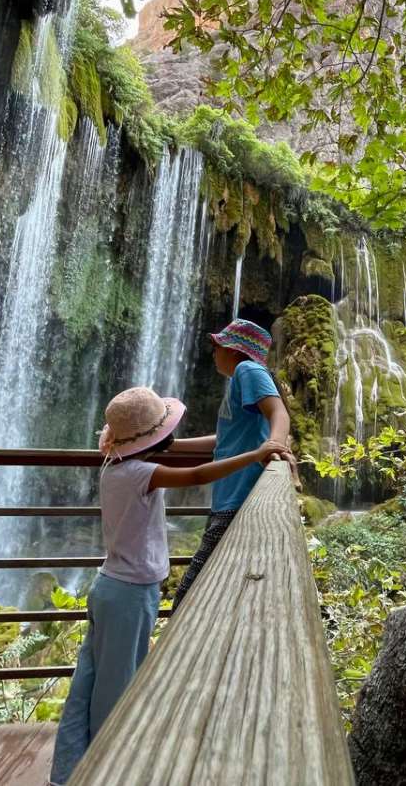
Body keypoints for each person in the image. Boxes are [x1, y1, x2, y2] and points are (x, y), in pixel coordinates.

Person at [49, 386, 290, 785]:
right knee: (118, 689)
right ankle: (110, 772)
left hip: (108, 585)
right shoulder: (144, 473)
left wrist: (241, 439)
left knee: (88, 683)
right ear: (152, 437)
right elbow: (195, 474)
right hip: (129, 594)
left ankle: (68, 772)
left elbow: (184, 455)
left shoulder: (113, 466)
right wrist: (254, 455)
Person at [168, 318, 291, 610]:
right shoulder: (239, 380)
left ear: (235, 351)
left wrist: (273, 445)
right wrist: (171, 446)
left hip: (239, 497)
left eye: (218, 346)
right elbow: (222, 439)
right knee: (213, 591)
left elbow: (279, 412)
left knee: (188, 598)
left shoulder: (248, 370)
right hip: (226, 498)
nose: (214, 352)